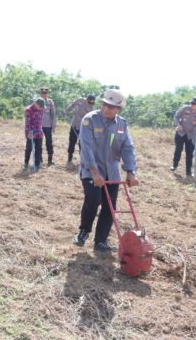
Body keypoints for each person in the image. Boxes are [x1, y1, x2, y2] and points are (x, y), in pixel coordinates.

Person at [73, 89, 138, 252]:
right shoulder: (90, 120)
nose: (106, 108)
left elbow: (128, 148)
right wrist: (95, 172)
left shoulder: (122, 124)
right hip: (91, 169)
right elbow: (86, 147)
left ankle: (101, 240)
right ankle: (84, 231)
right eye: (104, 104)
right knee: (93, 200)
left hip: (112, 172)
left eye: (111, 106)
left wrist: (131, 172)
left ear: (118, 109)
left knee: (110, 206)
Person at [170, 96, 196, 177]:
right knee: (178, 150)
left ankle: (188, 172)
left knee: (189, 153)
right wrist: (178, 125)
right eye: (191, 103)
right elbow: (176, 116)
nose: (191, 104)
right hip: (180, 133)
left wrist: (195, 137)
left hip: (191, 135)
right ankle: (174, 165)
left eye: (194, 103)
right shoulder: (184, 108)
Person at [64, 94, 96, 165]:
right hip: (74, 125)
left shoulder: (92, 109)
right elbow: (72, 105)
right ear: (86, 99)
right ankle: (69, 159)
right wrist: (67, 111)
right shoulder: (79, 100)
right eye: (89, 102)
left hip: (83, 128)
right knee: (72, 142)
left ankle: (82, 161)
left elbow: (92, 120)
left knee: (82, 145)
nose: (89, 104)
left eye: (91, 103)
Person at [23, 98, 45, 172]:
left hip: (39, 131)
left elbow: (40, 120)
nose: (41, 108)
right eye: (40, 106)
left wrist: (40, 130)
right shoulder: (28, 110)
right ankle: (26, 163)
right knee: (29, 148)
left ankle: (37, 164)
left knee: (39, 149)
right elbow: (27, 122)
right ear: (36, 104)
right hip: (31, 132)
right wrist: (28, 132)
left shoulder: (41, 109)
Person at [39, 87, 57, 166]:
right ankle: (39, 160)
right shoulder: (36, 101)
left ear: (47, 94)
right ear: (40, 93)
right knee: (38, 142)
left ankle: (50, 160)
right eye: (43, 93)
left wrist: (53, 125)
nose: (44, 94)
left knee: (49, 142)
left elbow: (53, 114)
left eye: (45, 93)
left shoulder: (50, 102)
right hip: (38, 125)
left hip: (48, 125)